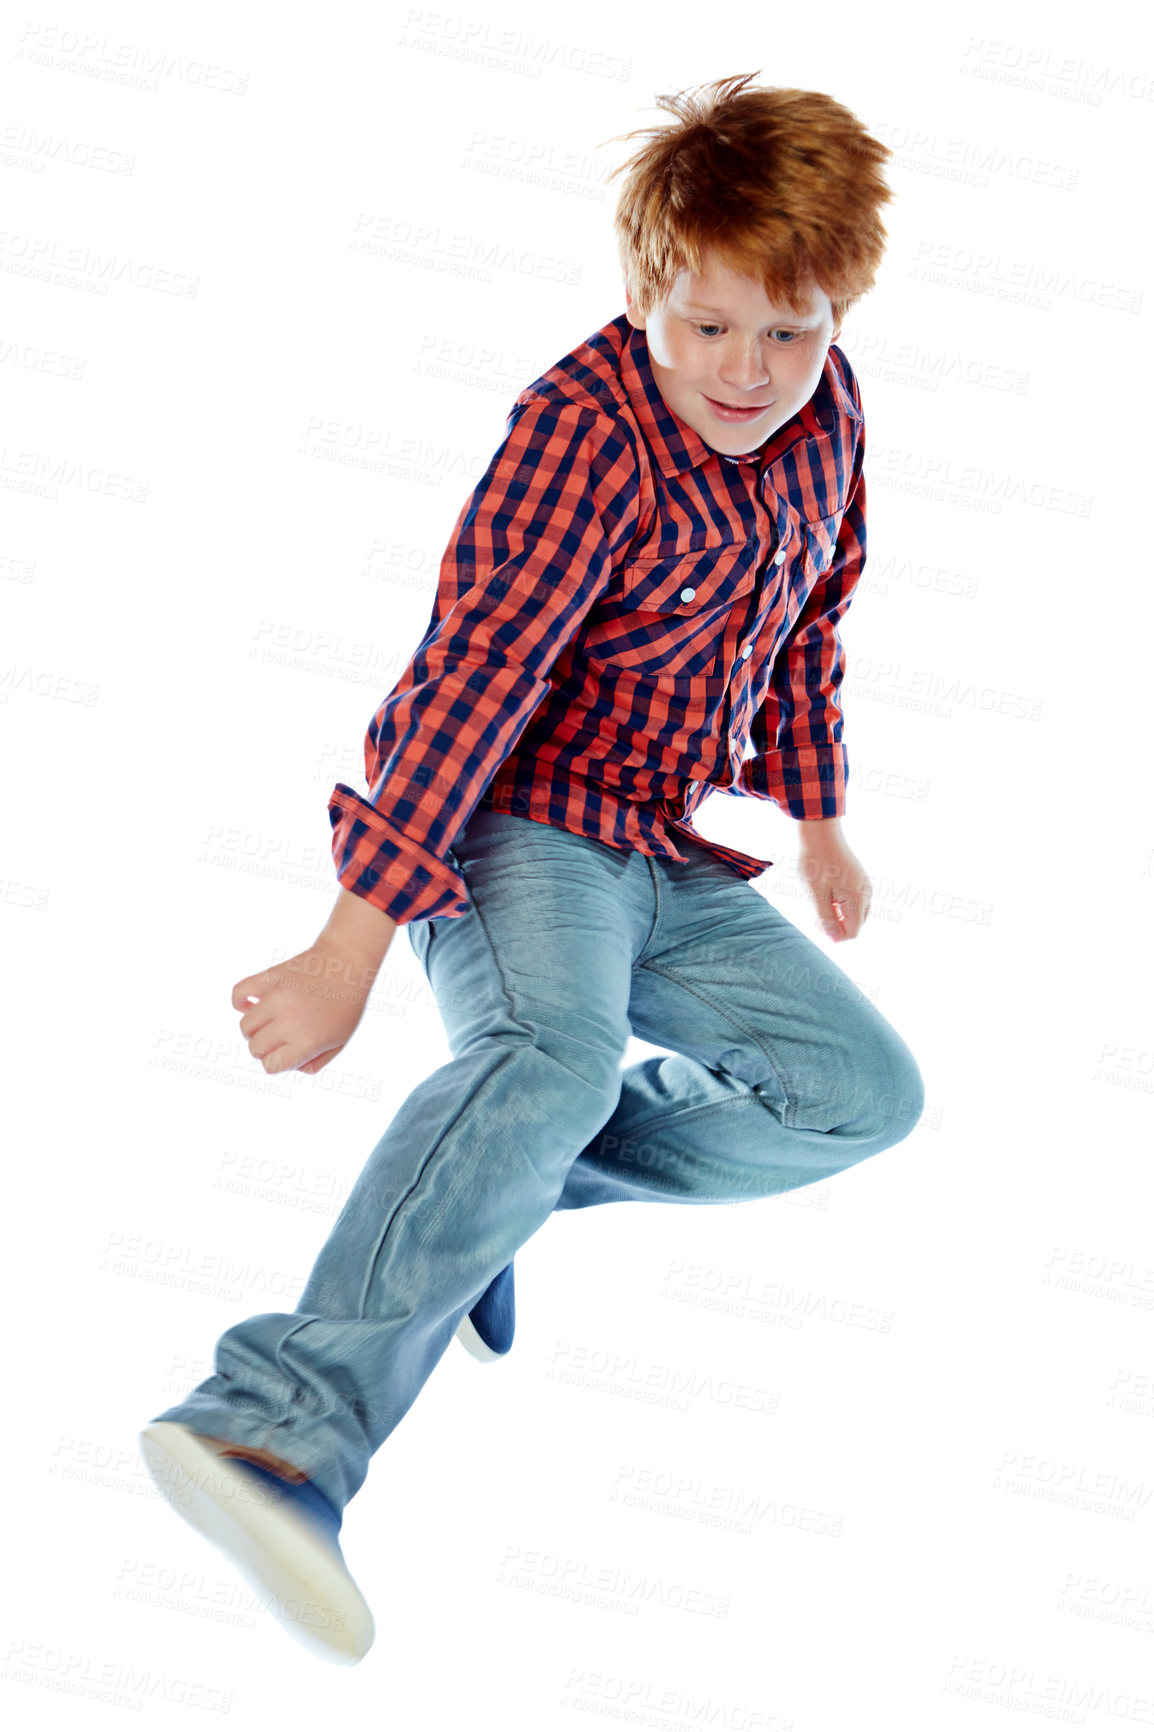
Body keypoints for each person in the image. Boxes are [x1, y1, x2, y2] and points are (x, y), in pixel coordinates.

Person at [139, 71, 923, 1665]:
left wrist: (820, 812)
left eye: (792, 333)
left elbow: (810, 617)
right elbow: (471, 679)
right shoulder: (587, 433)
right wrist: (348, 949)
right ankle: (273, 1428)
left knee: (860, 1095)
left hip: (659, 838)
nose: (749, 372)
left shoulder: (824, 413)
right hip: (519, 820)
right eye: (708, 327)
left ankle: (492, 1205)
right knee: (546, 1055)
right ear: (647, 292)